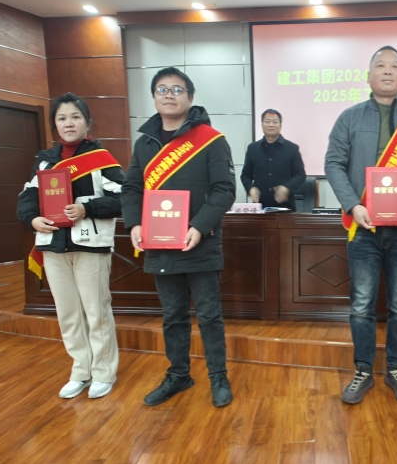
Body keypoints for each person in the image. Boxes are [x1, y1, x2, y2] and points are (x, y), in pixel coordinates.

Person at [324, 45, 397, 405]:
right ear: (368, 76)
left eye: (395, 66)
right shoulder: (348, 118)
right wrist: (353, 204)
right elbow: (334, 164)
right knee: (361, 304)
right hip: (363, 228)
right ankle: (363, 370)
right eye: (380, 65)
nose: (388, 71)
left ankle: (395, 368)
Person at [121, 67, 236, 408]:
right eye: (162, 89)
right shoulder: (145, 143)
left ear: (190, 97)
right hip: (160, 245)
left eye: (176, 89)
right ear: (154, 96)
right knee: (173, 315)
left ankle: (218, 376)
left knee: (209, 315)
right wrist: (134, 224)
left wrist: (198, 226)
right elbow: (132, 188)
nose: (169, 95)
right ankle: (179, 375)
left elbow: (224, 190)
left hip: (200, 241)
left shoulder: (211, 140)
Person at [17, 92, 124, 400]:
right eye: (62, 118)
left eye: (75, 117)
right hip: (53, 246)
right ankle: (81, 370)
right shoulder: (45, 161)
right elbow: (27, 197)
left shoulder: (101, 159)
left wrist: (86, 208)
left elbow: (124, 197)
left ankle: (103, 372)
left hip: (90, 246)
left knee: (96, 311)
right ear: (55, 125)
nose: (69, 123)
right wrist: (32, 219)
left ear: (87, 122)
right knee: (67, 313)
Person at [240, 109, 306, 210]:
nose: (271, 125)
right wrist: (250, 188)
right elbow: (245, 175)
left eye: (275, 122)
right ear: (262, 125)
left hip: (286, 208)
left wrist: (286, 188)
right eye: (267, 121)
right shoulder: (252, 148)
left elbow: (300, 175)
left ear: (280, 125)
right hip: (260, 208)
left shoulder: (292, 148)